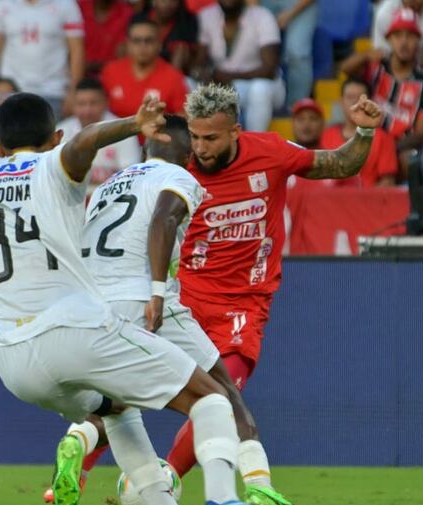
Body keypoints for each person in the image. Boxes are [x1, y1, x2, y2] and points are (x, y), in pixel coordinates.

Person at [0, 92, 299, 505]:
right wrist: (132, 123)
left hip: (12, 361)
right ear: (55, 138)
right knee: (212, 398)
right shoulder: (54, 166)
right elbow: (85, 142)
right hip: (76, 332)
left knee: (117, 413)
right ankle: (224, 501)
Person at [43, 114, 314, 505]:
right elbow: (165, 219)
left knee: (118, 401)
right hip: (147, 298)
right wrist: (156, 290)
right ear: (186, 152)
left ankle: (79, 438)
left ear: (146, 146)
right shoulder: (180, 177)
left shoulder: (108, 185)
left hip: (94, 304)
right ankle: (255, 485)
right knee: (222, 394)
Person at [164, 82, 384, 481]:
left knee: (221, 396)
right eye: (195, 137)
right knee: (131, 381)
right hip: (185, 299)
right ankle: (82, 459)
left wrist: (365, 132)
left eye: (211, 138)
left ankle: (165, 480)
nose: (200, 148)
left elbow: (339, 164)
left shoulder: (270, 151)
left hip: (243, 304)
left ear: (236, 131)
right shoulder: (179, 166)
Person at [342, 8, 423, 178]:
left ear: (418, 41)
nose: (404, 42)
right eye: (398, 35)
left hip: (402, 147)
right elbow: (346, 69)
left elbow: (421, 133)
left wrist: (388, 148)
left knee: (409, 159)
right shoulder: (376, 68)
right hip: (369, 140)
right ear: (388, 39)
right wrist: (366, 55)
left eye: (410, 36)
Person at [0, 0, 84, 120]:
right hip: (11, 93)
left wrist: (73, 92)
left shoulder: (66, 4)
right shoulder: (3, 4)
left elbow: (76, 50)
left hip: (53, 92)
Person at [193, 0, 285, 132]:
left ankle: (255, 140)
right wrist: (203, 74)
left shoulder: (263, 16)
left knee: (260, 89)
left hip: (262, 85)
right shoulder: (207, 15)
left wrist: (228, 76)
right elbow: (199, 62)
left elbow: (269, 70)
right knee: (189, 84)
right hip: (226, 86)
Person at [56, 77, 141, 193]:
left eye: (93, 103)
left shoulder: (124, 132)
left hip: (111, 198)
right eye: (81, 104)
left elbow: (131, 179)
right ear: (73, 105)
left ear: (106, 102)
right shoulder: (62, 131)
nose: (87, 110)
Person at [101, 14, 188, 117]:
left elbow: (183, 118)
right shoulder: (110, 71)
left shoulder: (174, 77)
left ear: (159, 44)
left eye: (149, 40)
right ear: (128, 44)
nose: (143, 46)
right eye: (136, 41)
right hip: (116, 127)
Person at [321, 79, 399, 187]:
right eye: (349, 97)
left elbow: (387, 183)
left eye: (360, 98)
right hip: (330, 196)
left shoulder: (383, 138)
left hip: (369, 197)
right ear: (341, 102)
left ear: (370, 103)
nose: (354, 102)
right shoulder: (325, 135)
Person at [259, 0, 318, 107]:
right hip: (265, 4)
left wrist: (290, 13)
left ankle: (297, 107)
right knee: (253, 47)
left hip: (300, 4)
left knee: (297, 53)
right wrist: (254, 14)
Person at [79, 0, 133, 77]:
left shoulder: (126, 13)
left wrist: (91, 66)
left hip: (113, 77)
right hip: (78, 76)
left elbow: (123, 59)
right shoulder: (79, 8)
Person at [145, 0, 198, 75]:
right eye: (163, 1)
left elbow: (189, 52)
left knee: (181, 48)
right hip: (144, 61)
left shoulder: (187, 20)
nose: (167, 5)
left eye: (173, 0)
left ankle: (171, 79)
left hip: (171, 66)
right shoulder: (141, 18)